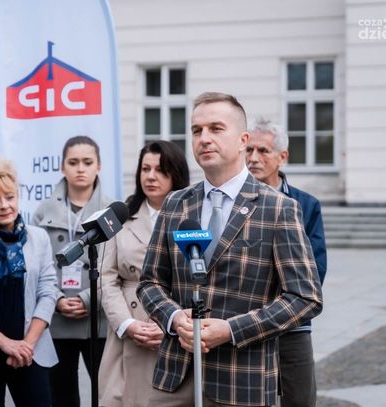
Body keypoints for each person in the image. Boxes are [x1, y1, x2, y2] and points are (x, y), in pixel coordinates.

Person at [137, 92, 323, 407]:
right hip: (176, 377)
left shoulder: (279, 208)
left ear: (242, 141)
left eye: (216, 128)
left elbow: (305, 298)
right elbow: (150, 282)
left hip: (241, 380)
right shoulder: (176, 203)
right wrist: (174, 318)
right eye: (196, 130)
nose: (204, 138)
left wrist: (232, 330)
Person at [99, 141, 190, 407]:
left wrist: (173, 323)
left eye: (160, 170)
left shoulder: (192, 216)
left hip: (176, 325)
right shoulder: (120, 216)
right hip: (129, 325)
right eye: (145, 168)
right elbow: (106, 277)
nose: (150, 176)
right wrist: (126, 324)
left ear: (176, 174)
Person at [246, 117, 327, 407]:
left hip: (293, 326)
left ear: (282, 157)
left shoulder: (305, 205)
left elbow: (315, 269)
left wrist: (281, 306)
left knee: (299, 399)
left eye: (263, 151)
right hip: (245, 323)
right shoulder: (234, 201)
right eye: (249, 150)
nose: (253, 158)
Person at [0, 157, 58, 407]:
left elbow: (48, 291)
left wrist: (26, 344)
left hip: (31, 349)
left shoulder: (38, 237)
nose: (4, 206)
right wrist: (4, 342)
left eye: (10, 197)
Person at [32, 135, 112, 407]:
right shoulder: (43, 211)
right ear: (62, 167)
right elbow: (36, 266)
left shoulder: (112, 211)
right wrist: (56, 299)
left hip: (98, 322)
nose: (80, 169)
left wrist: (87, 300)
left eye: (87, 162)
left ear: (99, 166)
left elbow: (116, 270)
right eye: (73, 162)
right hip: (55, 321)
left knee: (106, 396)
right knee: (61, 397)